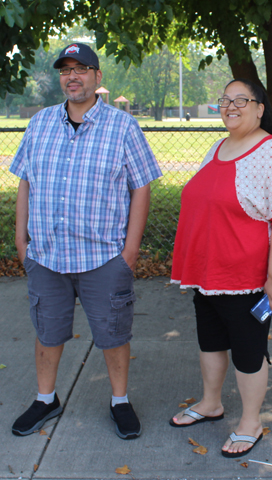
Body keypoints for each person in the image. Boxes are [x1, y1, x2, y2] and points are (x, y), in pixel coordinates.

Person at [9, 43, 162, 439]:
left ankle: (119, 401)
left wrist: (129, 251)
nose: (72, 76)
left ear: (97, 77)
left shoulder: (122, 126)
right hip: (46, 254)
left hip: (102, 255)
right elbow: (25, 180)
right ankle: (46, 399)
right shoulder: (40, 123)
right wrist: (20, 239)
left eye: (81, 69)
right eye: (65, 70)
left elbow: (141, 186)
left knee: (113, 334)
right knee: (48, 332)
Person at [169, 79, 272, 458]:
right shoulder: (218, 147)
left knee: (248, 351)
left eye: (241, 100)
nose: (231, 106)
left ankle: (251, 422)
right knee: (210, 342)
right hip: (208, 275)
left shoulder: (271, 152)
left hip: (245, 281)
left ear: (260, 108)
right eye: (225, 100)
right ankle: (211, 403)